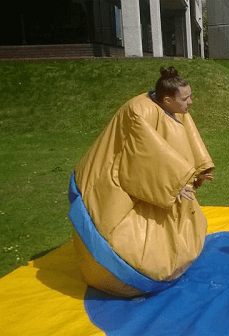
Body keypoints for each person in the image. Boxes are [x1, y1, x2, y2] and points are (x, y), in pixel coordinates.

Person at [68, 66, 215, 297]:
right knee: (120, 238)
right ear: (167, 99)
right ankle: (123, 273)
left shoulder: (172, 109)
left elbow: (180, 141)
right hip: (112, 178)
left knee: (183, 225)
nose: (191, 102)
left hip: (150, 179)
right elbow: (141, 157)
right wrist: (172, 184)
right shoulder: (140, 113)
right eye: (186, 98)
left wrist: (195, 172)